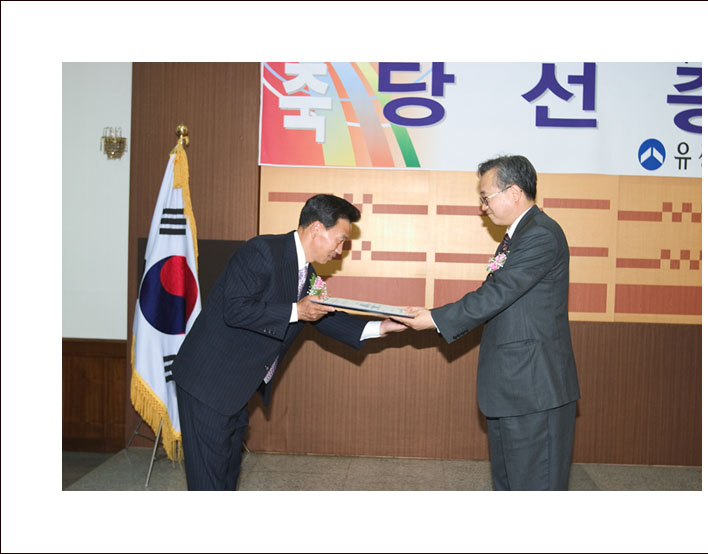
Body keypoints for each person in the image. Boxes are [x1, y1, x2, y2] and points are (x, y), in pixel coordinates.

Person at [172, 194, 406, 490]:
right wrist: (297, 310)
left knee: (227, 471)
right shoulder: (262, 251)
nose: (340, 250)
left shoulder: (307, 272)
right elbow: (235, 309)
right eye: (340, 240)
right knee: (208, 480)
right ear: (317, 229)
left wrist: (380, 327)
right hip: (207, 382)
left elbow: (323, 316)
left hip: (236, 387)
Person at [393, 155, 580, 491]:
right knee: (509, 485)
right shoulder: (518, 236)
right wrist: (433, 315)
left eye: (485, 197)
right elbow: (495, 296)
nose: (483, 208)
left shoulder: (540, 235)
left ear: (514, 192)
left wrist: (434, 318)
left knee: (535, 488)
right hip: (514, 389)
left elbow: (498, 293)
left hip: (534, 390)